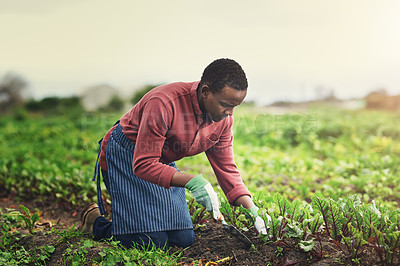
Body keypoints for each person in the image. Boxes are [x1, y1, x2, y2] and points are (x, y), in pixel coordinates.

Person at [79, 58, 268, 249]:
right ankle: (96, 224)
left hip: (160, 161)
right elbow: (143, 164)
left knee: (183, 239)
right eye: (225, 104)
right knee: (149, 241)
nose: (230, 113)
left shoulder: (223, 120)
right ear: (205, 92)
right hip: (128, 155)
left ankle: (140, 224)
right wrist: (193, 181)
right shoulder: (163, 103)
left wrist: (251, 207)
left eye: (235, 106)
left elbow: (226, 168)